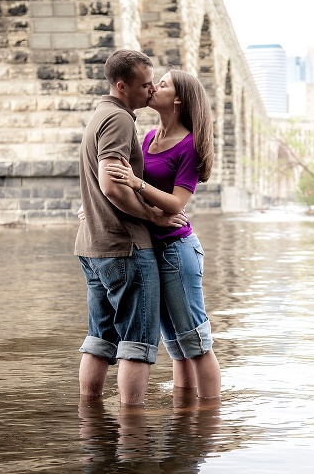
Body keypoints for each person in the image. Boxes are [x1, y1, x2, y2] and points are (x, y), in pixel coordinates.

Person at [74, 49, 185, 405]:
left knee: (99, 338)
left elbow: (99, 182)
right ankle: (132, 430)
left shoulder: (99, 115)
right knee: (137, 341)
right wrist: (152, 215)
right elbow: (111, 184)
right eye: (145, 84)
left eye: (155, 83)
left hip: (93, 246)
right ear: (122, 86)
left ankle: (90, 418)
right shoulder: (121, 120)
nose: (151, 90)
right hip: (125, 247)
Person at [104, 69, 222, 399]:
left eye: (164, 84)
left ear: (179, 99)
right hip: (152, 247)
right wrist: (99, 205)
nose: (155, 87)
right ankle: (184, 416)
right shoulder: (149, 137)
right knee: (176, 344)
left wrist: (137, 183)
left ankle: (209, 421)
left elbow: (175, 204)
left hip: (177, 250)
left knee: (195, 341)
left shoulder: (189, 146)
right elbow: (127, 190)